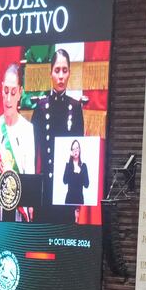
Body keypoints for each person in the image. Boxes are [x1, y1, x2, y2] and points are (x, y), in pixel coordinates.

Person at [34, 48, 85, 224]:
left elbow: (80, 153)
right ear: (50, 74)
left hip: (66, 190)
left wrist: (77, 205)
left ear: (70, 73)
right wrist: (32, 196)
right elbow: (34, 154)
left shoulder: (75, 108)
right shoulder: (41, 107)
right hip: (45, 190)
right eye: (57, 70)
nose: (61, 76)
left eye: (64, 70)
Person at [0, 63, 34, 222]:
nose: (9, 99)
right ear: (1, 89)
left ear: (20, 92)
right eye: (6, 91)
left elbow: (29, 174)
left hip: (18, 210)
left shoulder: (27, 129)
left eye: (13, 92)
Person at [60, 138, 89, 206]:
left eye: (77, 148)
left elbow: (86, 185)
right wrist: (71, 167)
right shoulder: (68, 165)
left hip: (79, 199)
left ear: (80, 150)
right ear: (71, 151)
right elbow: (65, 181)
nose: (75, 151)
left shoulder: (83, 166)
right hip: (69, 199)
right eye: (73, 149)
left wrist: (81, 172)